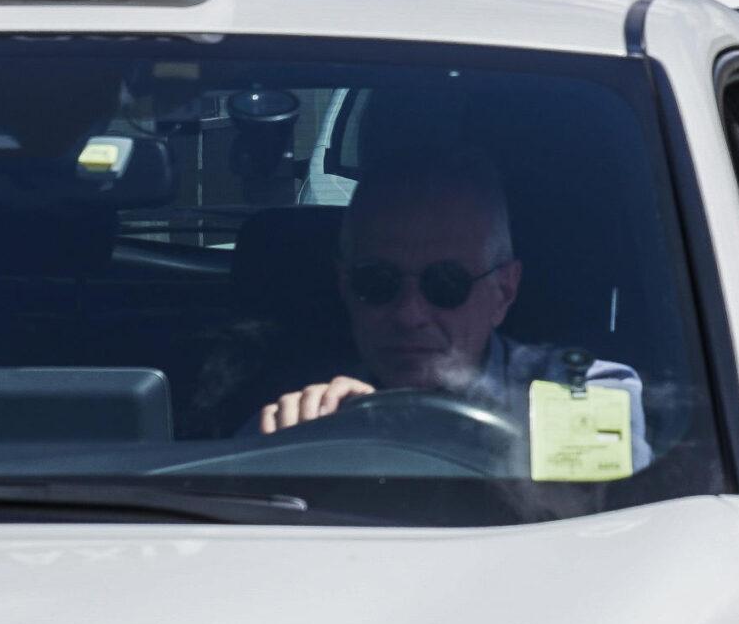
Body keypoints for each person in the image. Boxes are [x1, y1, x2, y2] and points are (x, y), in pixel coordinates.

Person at [259, 155, 646, 453]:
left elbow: (602, 526)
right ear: (345, 286)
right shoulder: (302, 410)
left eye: (446, 284)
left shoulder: (578, 390)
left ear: (504, 292)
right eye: (377, 282)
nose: (409, 315)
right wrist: (294, 447)